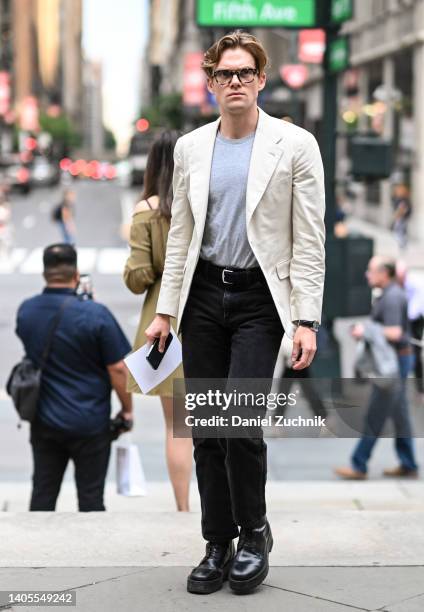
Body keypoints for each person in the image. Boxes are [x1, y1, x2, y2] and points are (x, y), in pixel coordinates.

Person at [145, 31, 325, 595]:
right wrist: (164, 313)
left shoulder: (295, 144)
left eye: (245, 73)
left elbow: (310, 239)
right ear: (211, 81)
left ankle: (254, 534)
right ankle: (216, 542)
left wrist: (306, 319)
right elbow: (180, 238)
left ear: (262, 79)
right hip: (201, 298)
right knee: (206, 429)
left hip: (258, 301)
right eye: (225, 74)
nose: (235, 83)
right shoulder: (191, 147)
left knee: (240, 423)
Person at [16, 243, 133, 511]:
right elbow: (118, 368)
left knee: (43, 493)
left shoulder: (27, 310)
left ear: (45, 272)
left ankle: (36, 549)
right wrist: (127, 411)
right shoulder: (96, 314)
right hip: (90, 422)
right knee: (91, 499)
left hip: (44, 420)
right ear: (76, 273)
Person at [123, 130, 192, 512]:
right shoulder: (198, 202)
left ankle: (183, 509)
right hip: (205, 311)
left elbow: (138, 277)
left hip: (163, 322)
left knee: (175, 427)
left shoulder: (146, 210)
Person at [335, 256, 419, 480]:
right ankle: (408, 463)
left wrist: (366, 331)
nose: (367, 274)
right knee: (401, 415)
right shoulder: (390, 294)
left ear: (384, 273)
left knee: (375, 414)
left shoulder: (392, 297)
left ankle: (359, 465)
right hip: (399, 361)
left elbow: (395, 332)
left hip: (394, 364)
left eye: (371, 270)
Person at [396, 261, 424, 396]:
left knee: (416, 353)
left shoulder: (415, 285)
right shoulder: (398, 284)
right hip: (407, 318)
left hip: (417, 319)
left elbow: (414, 311)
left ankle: (420, 387)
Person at [391, 184, 411, 250]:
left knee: (399, 231)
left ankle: (402, 244)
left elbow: (402, 209)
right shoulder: (401, 199)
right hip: (401, 218)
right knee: (400, 230)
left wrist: (397, 215)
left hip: (401, 218)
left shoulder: (403, 200)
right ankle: (402, 243)